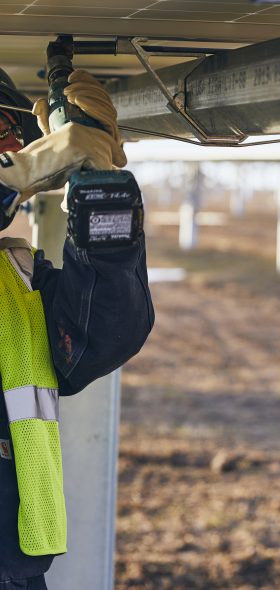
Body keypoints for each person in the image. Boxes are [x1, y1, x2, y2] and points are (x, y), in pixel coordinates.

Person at [0, 68, 154, 590]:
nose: (10, 147)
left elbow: (100, 335)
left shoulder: (15, 278)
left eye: (11, 135)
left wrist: (100, 198)